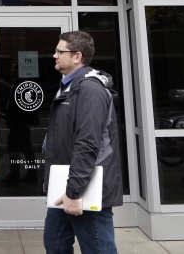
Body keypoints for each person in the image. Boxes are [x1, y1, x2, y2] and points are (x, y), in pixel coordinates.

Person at [43, 31, 123, 254]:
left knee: (98, 249)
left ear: (77, 56)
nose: (54, 55)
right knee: (55, 243)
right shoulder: (70, 86)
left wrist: (74, 192)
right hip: (67, 183)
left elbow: (88, 144)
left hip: (84, 187)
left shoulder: (90, 89)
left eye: (60, 51)